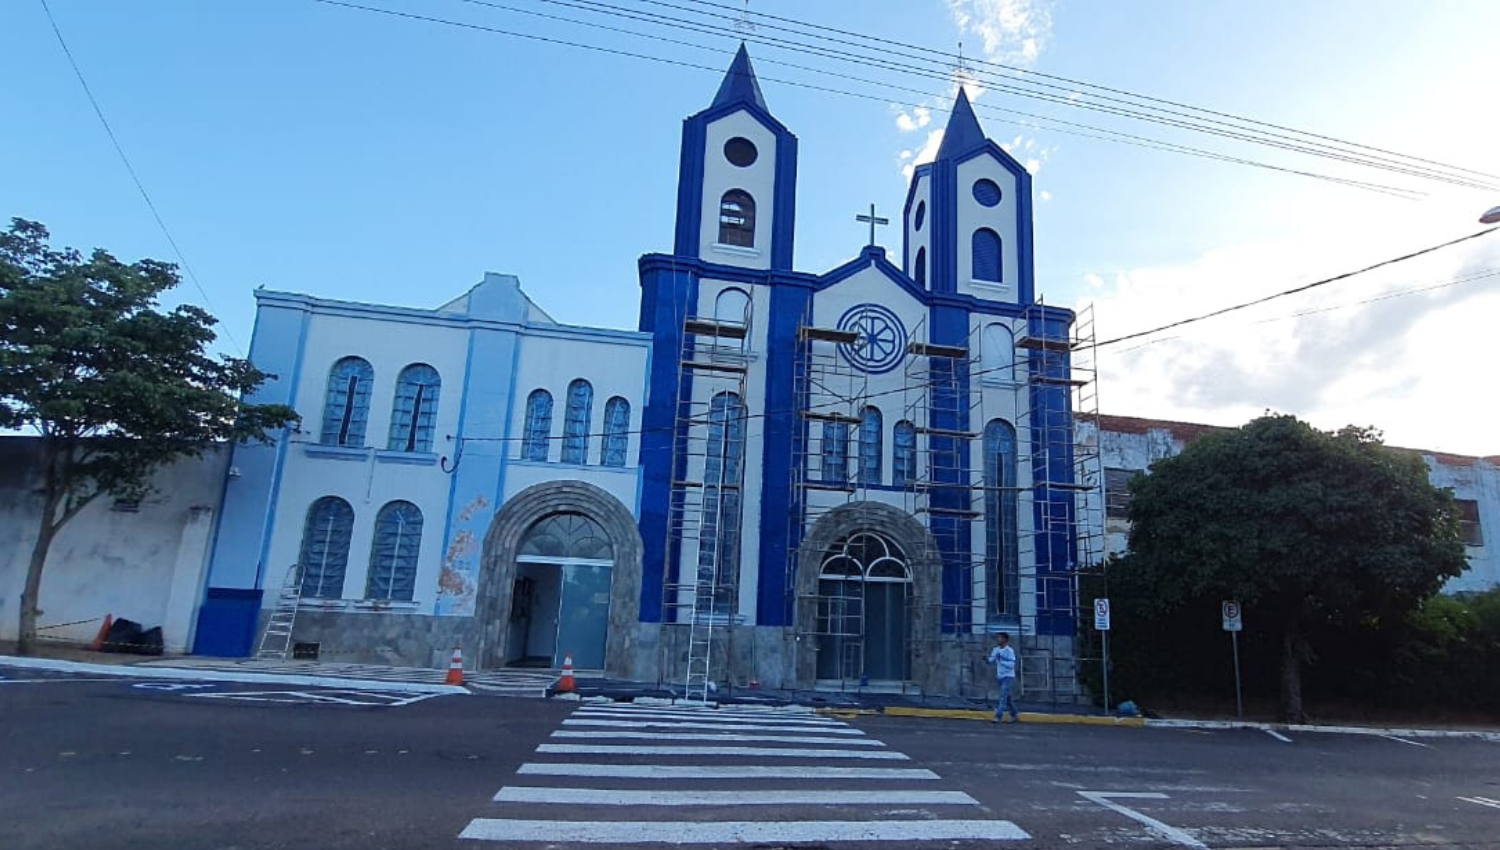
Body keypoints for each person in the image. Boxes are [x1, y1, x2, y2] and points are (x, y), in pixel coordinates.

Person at [986, 631, 1020, 723]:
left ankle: (998, 717)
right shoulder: (995, 649)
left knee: (1002, 697)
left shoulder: (1009, 651)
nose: (998, 639)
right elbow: (992, 660)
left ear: (1005, 639)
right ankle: (1014, 714)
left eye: (1000, 638)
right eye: (997, 638)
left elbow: (1011, 665)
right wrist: (987, 660)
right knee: (1007, 698)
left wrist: (1001, 660)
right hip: (1000, 676)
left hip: (1008, 676)